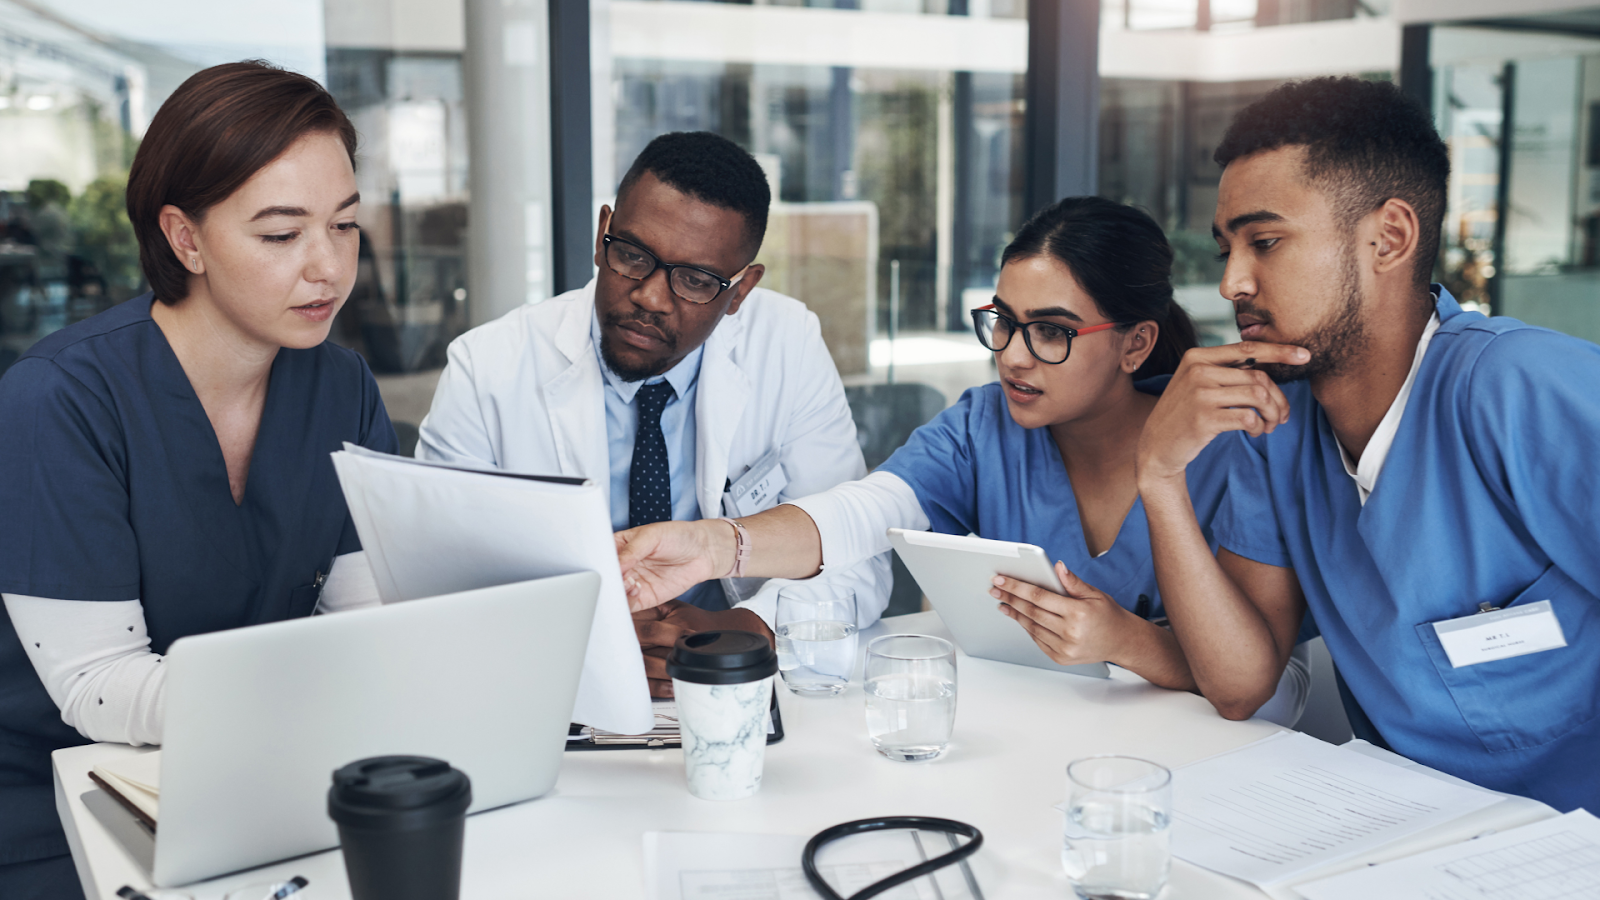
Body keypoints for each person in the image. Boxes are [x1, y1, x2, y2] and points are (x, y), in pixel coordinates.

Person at [614, 196, 1310, 722]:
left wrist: (1124, 639)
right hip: (1054, 739)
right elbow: (869, 512)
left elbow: (1250, 684)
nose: (1011, 353)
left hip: (1214, 767)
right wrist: (714, 548)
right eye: (1003, 321)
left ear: (1135, 345)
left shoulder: (1232, 442)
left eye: (1051, 332)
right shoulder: (986, 425)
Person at [1138, 76, 1600, 813]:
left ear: (1389, 237)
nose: (1231, 282)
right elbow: (1240, 685)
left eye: (1265, 242)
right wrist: (1158, 475)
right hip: (1395, 840)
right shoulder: (1271, 422)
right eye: (1228, 247)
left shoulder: (1521, 386)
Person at [0, 62, 396, 897]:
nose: (327, 267)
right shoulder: (62, 399)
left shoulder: (342, 387)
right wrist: (320, 689)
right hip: (61, 800)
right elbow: (101, 689)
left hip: (262, 782)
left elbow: (368, 627)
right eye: (282, 235)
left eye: (347, 225)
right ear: (185, 238)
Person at [416, 131, 891, 697]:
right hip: (551, 682)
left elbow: (855, 557)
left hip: (735, 685)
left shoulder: (786, 343)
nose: (650, 298)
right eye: (633, 257)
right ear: (602, 236)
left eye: (694, 281)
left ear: (740, 292)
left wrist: (743, 629)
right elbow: (434, 578)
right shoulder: (487, 367)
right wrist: (589, 637)